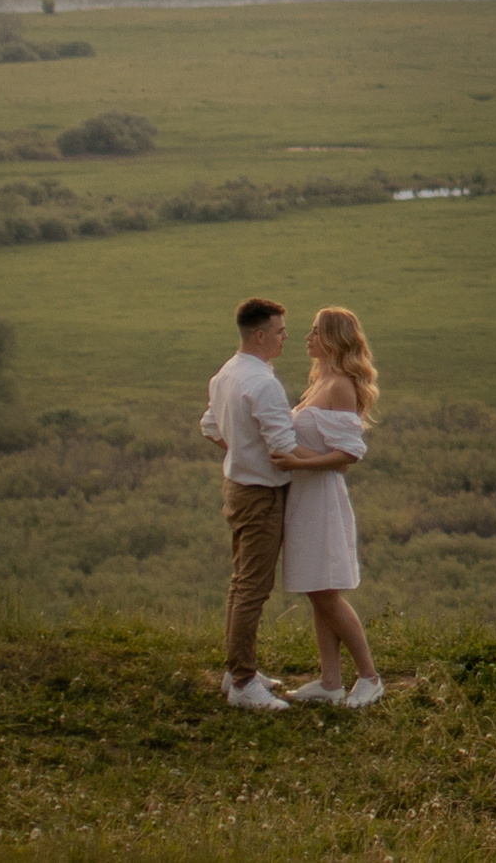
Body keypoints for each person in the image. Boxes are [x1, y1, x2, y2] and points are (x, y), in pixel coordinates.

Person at [276, 305, 382, 707]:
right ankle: (330, 680)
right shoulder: (320, 382)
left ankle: (369, 677)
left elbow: (349, 455)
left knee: (326, 593)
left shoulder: (340, 386)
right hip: (304, 495)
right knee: (316, 590)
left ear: (335, 338)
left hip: (321, 497)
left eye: (316, 331)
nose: (307, 338)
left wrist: (297, 462)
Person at [199, 297, 300, 712]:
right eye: (279, 331)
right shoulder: (262, 383)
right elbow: (283, 449)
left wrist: (240, 450)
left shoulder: (228, 372)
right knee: (253, 588)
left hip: (237, 485)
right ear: (260, 335)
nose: (285, 337)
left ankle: (237, 669)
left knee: (242, 582)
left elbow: (209, 426)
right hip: (260, 493)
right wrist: (337, 459)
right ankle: (242, 682)